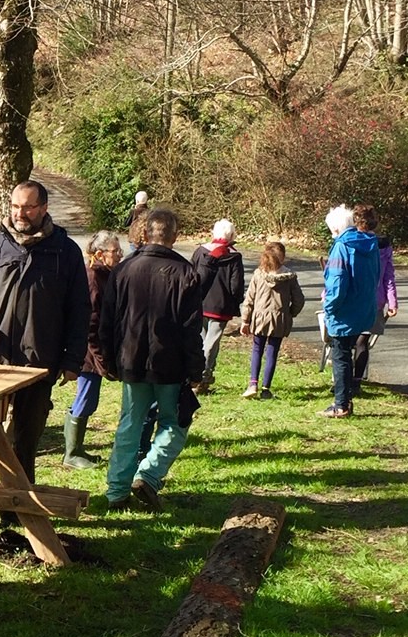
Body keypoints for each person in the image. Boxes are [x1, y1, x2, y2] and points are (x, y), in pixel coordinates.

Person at [0, 181, 89, 521]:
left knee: (25, 440)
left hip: (38, 361)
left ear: (44, 209)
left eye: (28, 207)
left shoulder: (65, 252)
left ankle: (15, 510)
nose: (20, 213)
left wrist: (72, 360)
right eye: (15, 206)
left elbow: (79, 311)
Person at [99, 207, 204, 512]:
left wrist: (108, 359)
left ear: (145, 234)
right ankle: (149, 473)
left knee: (129, 424)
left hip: (130, 359)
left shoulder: (123, 270)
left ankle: (116, 491)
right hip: (169, 363)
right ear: (175, 236)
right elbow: (190, 329)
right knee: (175, 422)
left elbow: (108, 320)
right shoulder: (186, 273)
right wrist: (196, 368)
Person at [63, 231, 123, 469]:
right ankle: (71, 453)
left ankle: (77, 449)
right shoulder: (92, 279)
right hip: (87, 355)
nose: (120, 255)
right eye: (115, 251)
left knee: (88, 399)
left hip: (94, 354)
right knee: (85, 399)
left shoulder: (105, 276)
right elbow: (90, 325)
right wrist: (100, 360)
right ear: (99, 254)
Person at [321, 203, 380, 418]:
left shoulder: (341, 247)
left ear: (336, 229)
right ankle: (346, 401)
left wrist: (328, 307)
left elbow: (337, 284)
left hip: (344, 312)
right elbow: (376, 277)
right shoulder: (371, 244)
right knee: (348, 353)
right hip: (364, 309)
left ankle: (341, 404)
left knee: (340, 356)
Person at [239, 241, 306, 399]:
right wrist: (290, 313)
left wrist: (245, 320)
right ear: (283, 257)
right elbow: (299, 300)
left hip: (259, 318)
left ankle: (252, 383)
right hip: (279, 318)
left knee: (257, 349)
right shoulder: (289, 277)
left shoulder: (258, 274)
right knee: (272, 352)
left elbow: (249, 299)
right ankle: (266, 389)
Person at [191, 219, 244, 393]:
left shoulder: (200, 251)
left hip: (199, 302)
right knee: (211, 343)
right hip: (221, 305)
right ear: (231, 235)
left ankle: (203, 377)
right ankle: (201, 377)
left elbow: (190, 274)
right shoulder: (234, 256)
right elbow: (236, 284)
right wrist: (237, 301)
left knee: (203, 340)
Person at [353, 207, 397, 392]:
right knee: (363, 341)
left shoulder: (350, 242)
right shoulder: (383, 245)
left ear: (356, 222)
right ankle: (356, 382)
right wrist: (392, 301)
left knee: (346, 341)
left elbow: (340, 274)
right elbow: (388, 276)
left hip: (353, 299)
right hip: (375, 301)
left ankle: (344, 381)